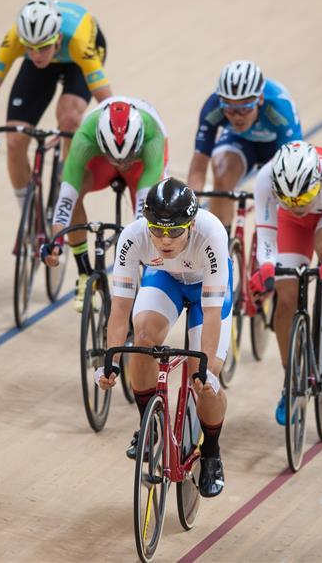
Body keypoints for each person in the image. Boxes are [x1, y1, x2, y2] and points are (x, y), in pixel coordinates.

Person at [99, 178, 231, 498]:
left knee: (204, 377)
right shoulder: (133, 237)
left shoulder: (211, 234)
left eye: (174, 231)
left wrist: (208, 369)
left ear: (191, 223)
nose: (164, 239)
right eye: (157, 229)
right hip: (166, 280)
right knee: (142, 337)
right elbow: (119, 309)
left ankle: (211, 452)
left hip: (206, 292)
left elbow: (212, 313)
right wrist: (110, 362)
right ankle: (150, 426)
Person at [248, 141, 322, 425]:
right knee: (286, 297)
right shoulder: (266, 181)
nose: (297, 206)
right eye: (288, 199)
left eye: (301, 198)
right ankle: (292, 379)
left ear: (317, 182)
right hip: (289, 225)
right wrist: (267, 269)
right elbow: (266, 241)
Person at [0, 0, 113, 215]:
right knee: (14, 141)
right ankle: (29, 215)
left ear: (57, 38)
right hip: (46, 62)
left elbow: (108, 104)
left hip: (78, 60)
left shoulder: (79, 41)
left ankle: (66, 180)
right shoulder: (17, 38)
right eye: (30, 48)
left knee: (69, 118)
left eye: (43, 48)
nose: (36, 55)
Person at [40, 97, 169, 312]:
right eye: (115, 157)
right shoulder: (84, 138)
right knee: (75, 191)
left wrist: (137, 245)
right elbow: (65, 200)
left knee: (156, 209)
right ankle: (84, 272)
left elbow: (143, 205)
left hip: (142, 165)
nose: (121, 163)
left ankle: (150, 284)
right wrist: (55, 242)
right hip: (101, 162)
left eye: (126, 157)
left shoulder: (153, 137)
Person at [186, 60, 302, 232]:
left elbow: (295, 164)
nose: (237, 117)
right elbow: (199, 166)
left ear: (259, 99)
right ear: (221, 101)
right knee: (222, 173)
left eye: (245, 108)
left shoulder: (279, 108)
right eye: (230, 109)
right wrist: (188, 210)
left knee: (286, 187)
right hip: (239, 141)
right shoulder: (213, 107)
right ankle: (221, 243)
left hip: (275, 146)